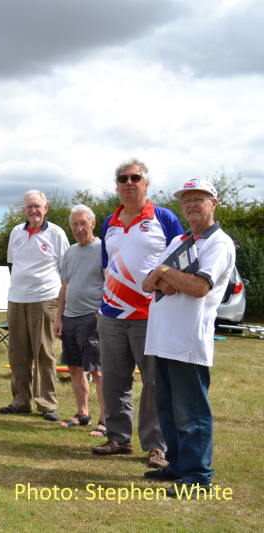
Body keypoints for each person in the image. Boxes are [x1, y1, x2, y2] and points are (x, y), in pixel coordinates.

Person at [141, 179, 234, 497]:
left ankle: (198, 476)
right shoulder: (179, 240)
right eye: (187, 200)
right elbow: (146, 283)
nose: (192, 204)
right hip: (163, 339)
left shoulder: (218, 244)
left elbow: (199, 287)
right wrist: (168, 276)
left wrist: (166, 274)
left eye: (200, 199)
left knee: (191, 410)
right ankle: (178, 466)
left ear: (213, 203)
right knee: (166, 407)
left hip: (188, 341)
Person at [92, 158, 183, 470]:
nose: (128, 182)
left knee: (156, 383)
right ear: (117, 185)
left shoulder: (165, 218)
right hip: (111, 315)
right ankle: (119, 438)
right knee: (115, 381)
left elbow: (181, 261)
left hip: (151, 314)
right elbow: (106, 265)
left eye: (135, 177)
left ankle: (157, 446)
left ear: (146, 184)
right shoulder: (109, 222)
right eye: (122, 178)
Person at [0, 190, 69, 420]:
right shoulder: (16, 232)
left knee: (44, 353)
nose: (33, 211)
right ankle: (21, 401)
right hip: (17, 299)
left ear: (45, 208)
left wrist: (61, 305)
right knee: (17, 354)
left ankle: (47, 404)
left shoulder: (56, 234)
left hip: (45, 299)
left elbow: (65, 271)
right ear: (24, 210)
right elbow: (14, 264)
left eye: (37, 206)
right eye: (29, 207)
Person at [54, 205, 106, 434]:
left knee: (98, 371)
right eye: (74, 224)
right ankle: (83, 414)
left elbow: (112, 284)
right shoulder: (70, 252)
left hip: (92, 318)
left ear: (93, 223)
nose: (78, 228)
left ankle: (105, 420)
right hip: (70, 318)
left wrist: (99, 313)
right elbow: (64, 287)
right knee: (75, 369)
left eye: (83, 223)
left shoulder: (104, 248)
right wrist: (59, 318)